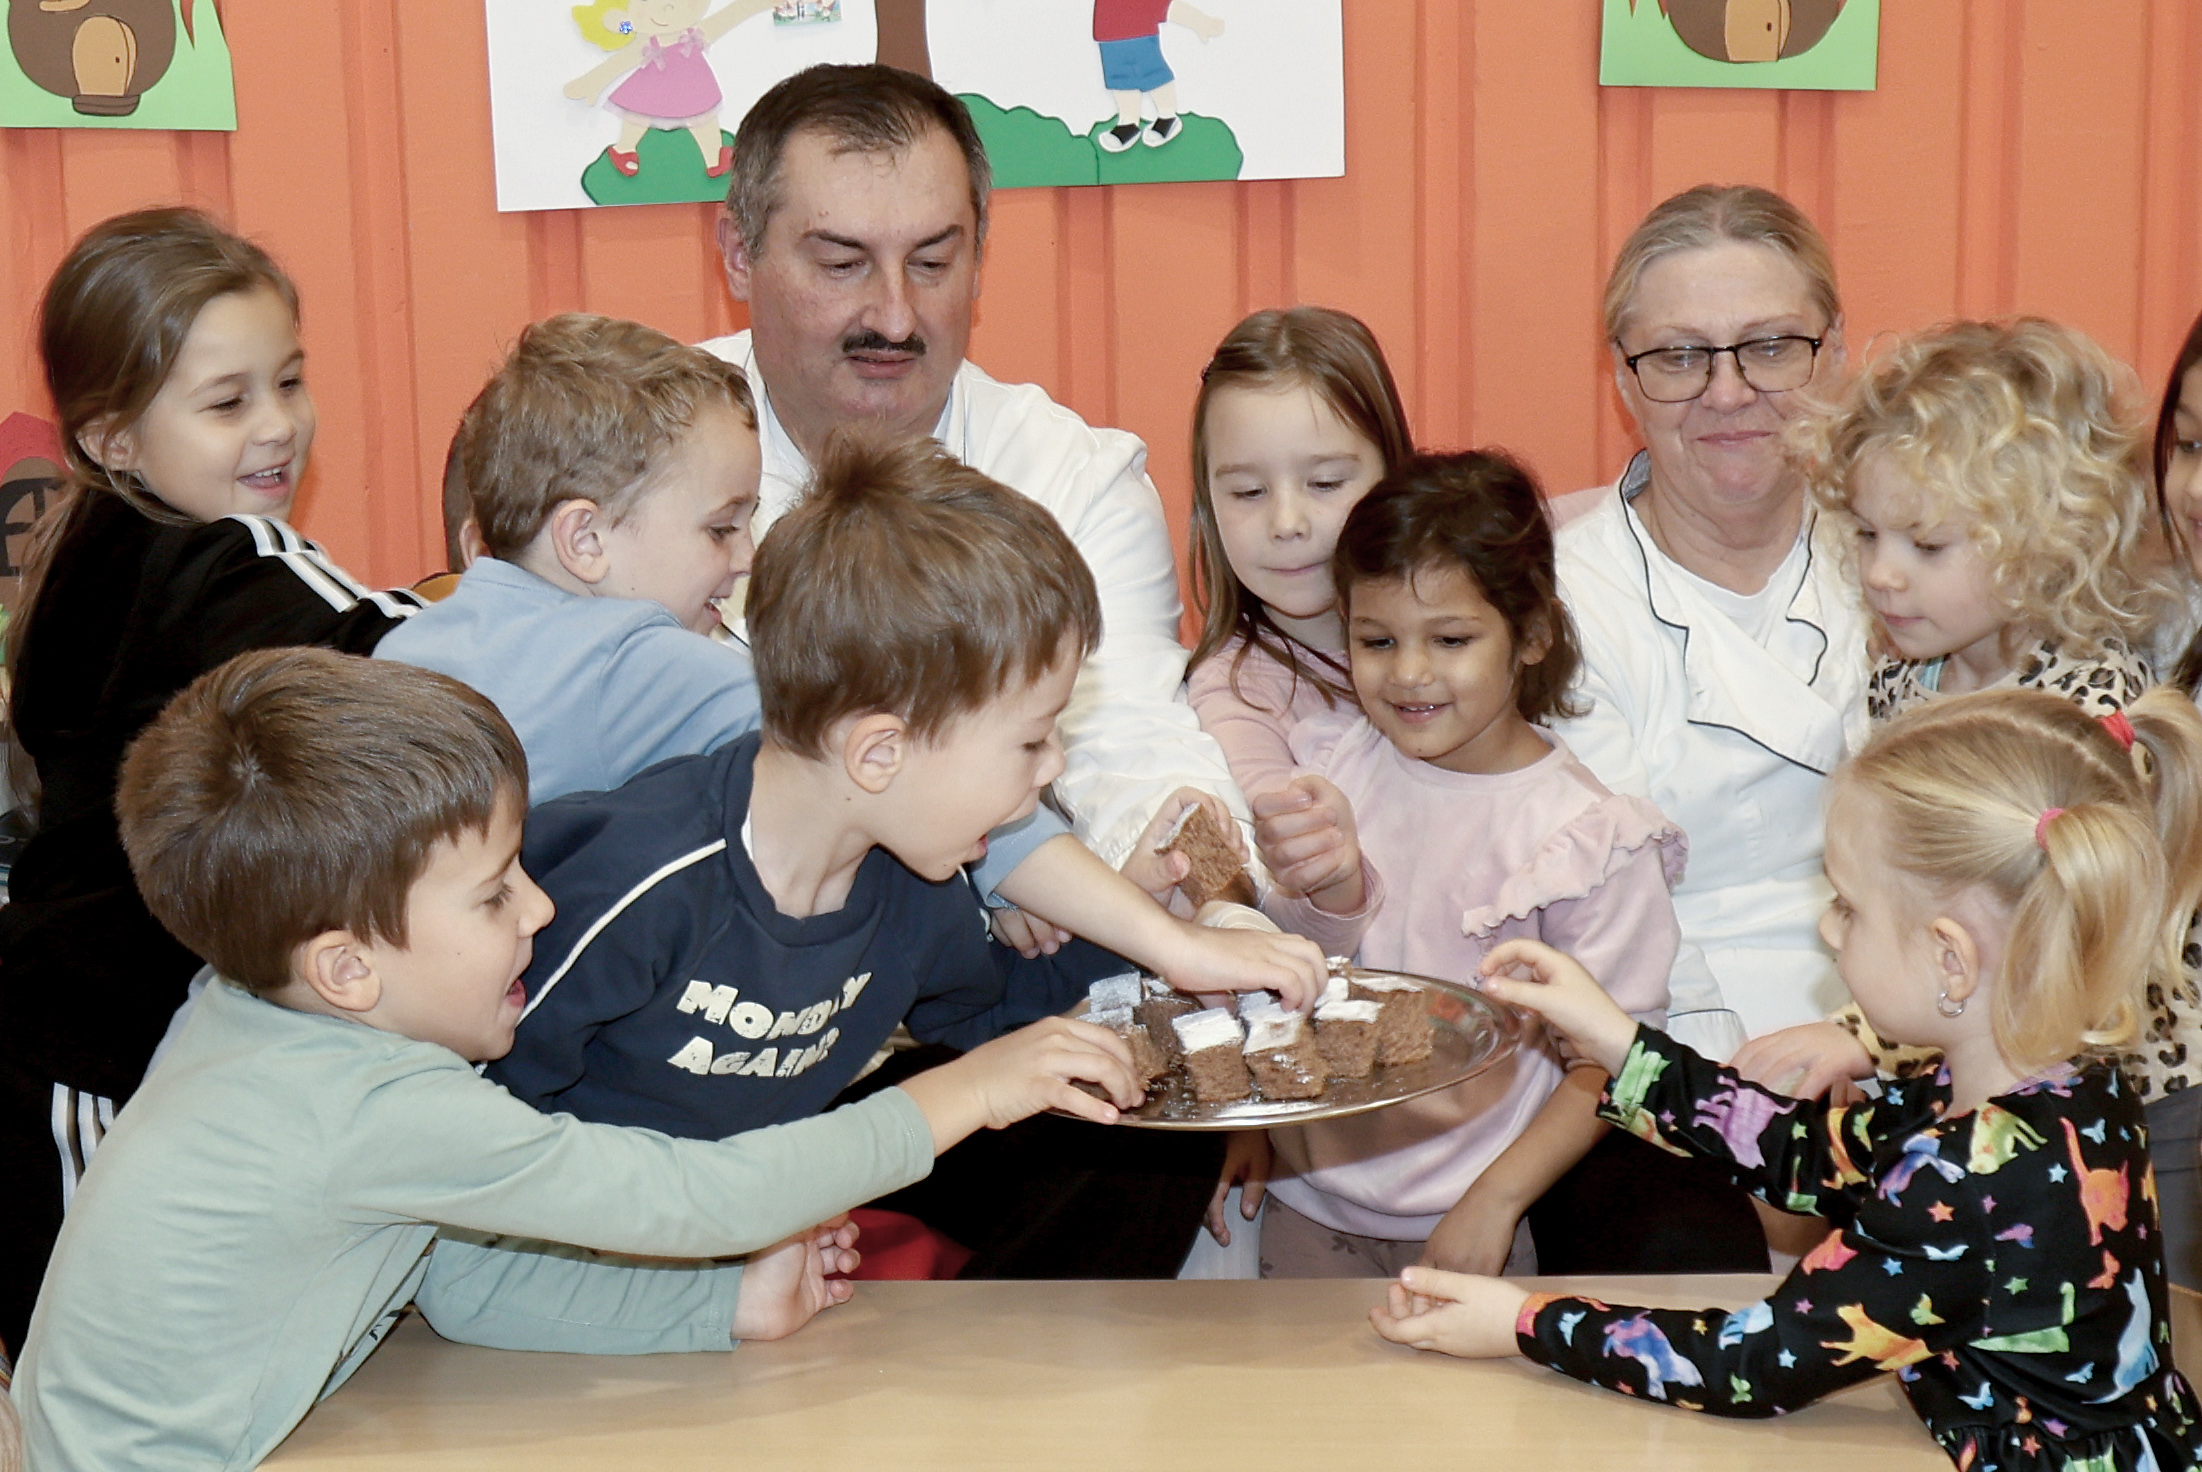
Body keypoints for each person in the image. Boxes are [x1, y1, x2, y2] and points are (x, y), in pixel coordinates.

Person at [12, 647, 1146, 1471]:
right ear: (349, 966)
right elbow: (702, 1196)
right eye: (495, 890)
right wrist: (975, 1086)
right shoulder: (371, 1105)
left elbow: (453, 1274)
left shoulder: (247, 1011)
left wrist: (711, 1312)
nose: (541, 906)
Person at [488, 430, 1320, 1279]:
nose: (1054, 769)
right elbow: (483, 1127)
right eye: (1031, 741)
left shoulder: (914, 886)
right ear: (879, 754)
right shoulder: (636, 882)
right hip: (599, 1239)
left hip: (779, 1186)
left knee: (1128, 1115)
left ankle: (1004, 1397)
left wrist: (1169, 941)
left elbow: (993, 1013)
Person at [1375, 687, 2202, 1472]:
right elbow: (1802, 1152)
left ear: (1952, 958)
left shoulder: (1970, 1173)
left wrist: (1521, 1321)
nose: (1825, 924)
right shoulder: (2065, 1092)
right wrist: (1620, 1044)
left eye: (1848, 904)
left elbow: (1753, 1364)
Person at [381, 313, 1322, 992]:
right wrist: (1173, 944)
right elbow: (908, 768)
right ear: (585, 541)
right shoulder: (640, 661)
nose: (745, 557)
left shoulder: (407, 644)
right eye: (721, 528)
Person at [0, 208, 424, 1358]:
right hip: (90, 1052)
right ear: (115, 438)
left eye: (289, 379)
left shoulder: (101, 550)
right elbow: (420, 659)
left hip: (82, 1044)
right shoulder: (224, 554)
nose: (280, 426)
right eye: (229, 401)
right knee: (114, 1379)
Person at [1731, 317, 2202, 1287]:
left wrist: (1854, 1034)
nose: (1881, 571)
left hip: (2125, 1106)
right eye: (1865, 533)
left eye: (1928, 543)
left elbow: (2038, 952)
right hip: (1963, 1072)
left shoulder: (2084, 721)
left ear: (2045, 545)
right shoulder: (1905, 682)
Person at [704, 62, 1245, 885]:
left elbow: (1134, 741)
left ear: (980, 258)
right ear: (741, 255)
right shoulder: (631, 462)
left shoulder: (1074, 480)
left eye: (932, 262)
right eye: (844, 262)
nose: (894, 316)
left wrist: (1215, 897)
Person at [1239, 452, 1757, 1279]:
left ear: (1532, 635)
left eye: (1450, 639)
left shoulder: (1585, 843)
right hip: (1308, 1203)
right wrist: (1254, 1122)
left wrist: (1498, 1200)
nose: (1408, 673)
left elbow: (1612, 1063)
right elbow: (1283, 973)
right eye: (1376, 640)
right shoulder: (1334, 767)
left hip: (1472, 1217)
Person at [1547, 183, 1868, 1062]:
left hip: (1913, 1017)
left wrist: (1875, 1039)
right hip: (1664, 1028)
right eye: (1681, 356)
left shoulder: (1918, 557)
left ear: (1833, 350)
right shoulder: (1558, 603)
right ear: (1622, 374)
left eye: (1770, 347)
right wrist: (1724, 1094)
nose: (1728, 394)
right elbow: (1619, 909)